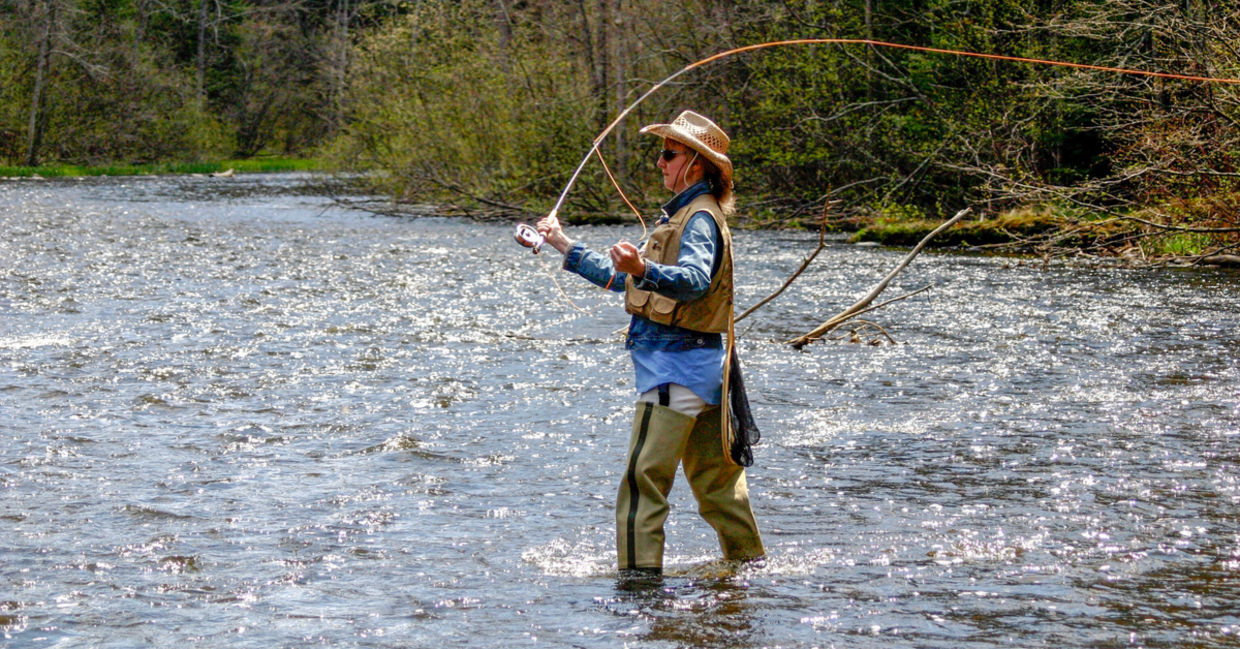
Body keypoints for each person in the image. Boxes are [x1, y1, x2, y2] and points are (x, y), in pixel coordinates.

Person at [536, 110, 764, 578]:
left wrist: (643, 268)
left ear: (695, 163)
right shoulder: (687, 215)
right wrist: (562, 244)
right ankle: (750, 574)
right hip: (704, 372)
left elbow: (695, 281)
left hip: (674, 373)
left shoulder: (697, 219)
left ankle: (639, 588)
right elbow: (625, 281)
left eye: (668, 154)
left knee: (644, 481)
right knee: (719, 487)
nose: (660, 162)